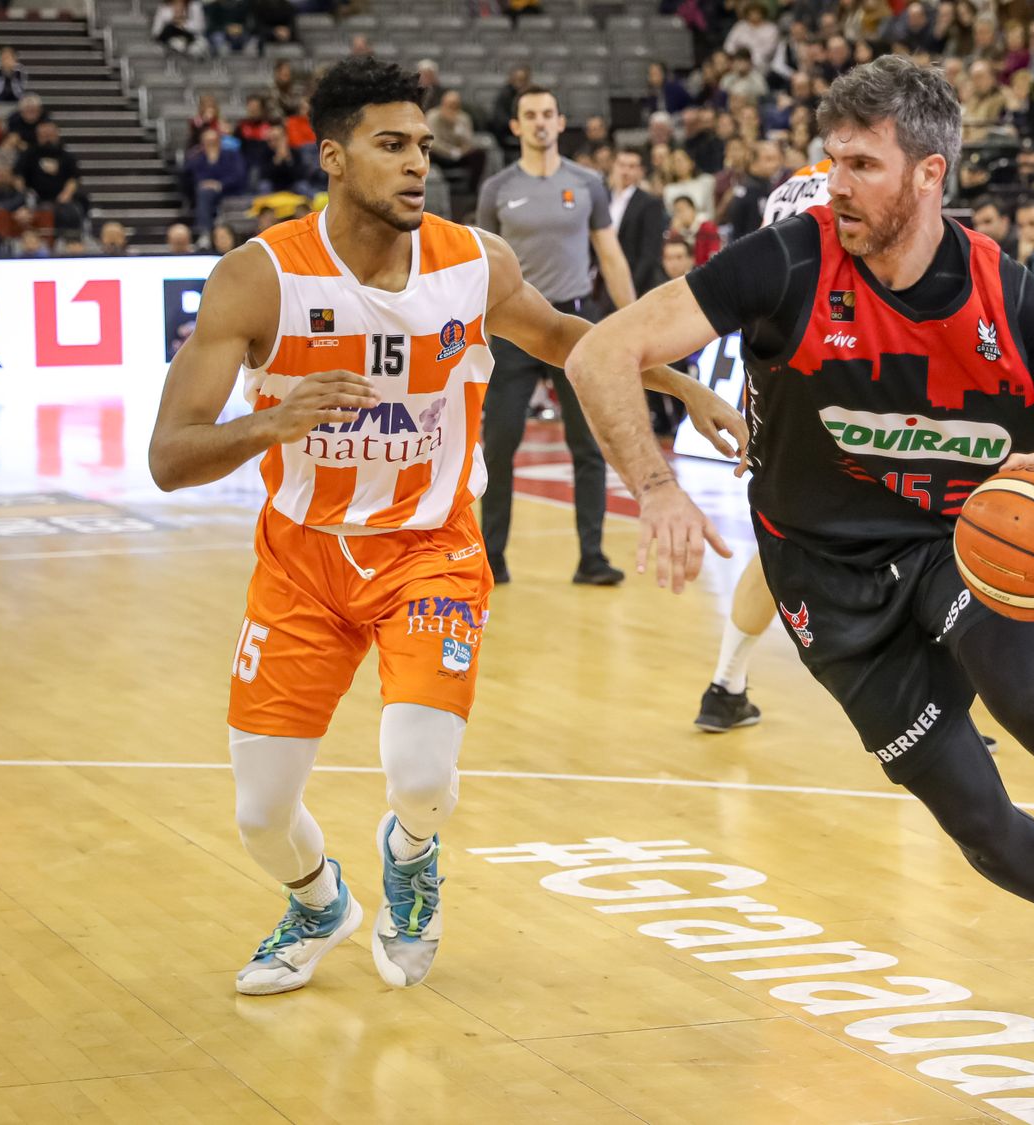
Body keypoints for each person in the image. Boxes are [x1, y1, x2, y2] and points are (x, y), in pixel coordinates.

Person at [566, 56, 1034, 1054]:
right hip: (820, 574)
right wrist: (655, 491)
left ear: (928, 175)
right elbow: (597, 350)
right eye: (831, 161)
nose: (836, 184)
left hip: (960, 546)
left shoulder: (1010, 298)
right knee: (971, 813)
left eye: (862, 164)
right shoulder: (785, 263)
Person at [147, 57, 742, 999]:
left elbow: (566, 340)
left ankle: (412, 856)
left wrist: (683, 384)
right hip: (301, 565)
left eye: (423, 144)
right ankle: (317, 901)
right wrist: (273, 420)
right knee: (261, 814)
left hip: (431, 549)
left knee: (419, 774)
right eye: (391, 146)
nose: (417, 163)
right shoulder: (258, 280)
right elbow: (169, 457)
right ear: (334, 158)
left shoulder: (474, 261)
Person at [475, 86, 641, 586]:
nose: (541, 122)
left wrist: (633, 325)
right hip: (511, 328)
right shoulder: (497, 188)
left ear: (560, 121)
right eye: (530, 115)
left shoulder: (588, 183)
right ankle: (490, 559)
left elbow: (609, 255)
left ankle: (592, 557)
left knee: (587, 445)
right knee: (499, 444)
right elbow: (482, 263)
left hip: (573, 327)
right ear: (516, 126)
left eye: (548, 113)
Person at [609, 149, 670, 302]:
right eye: (622, 165)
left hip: (635, 282)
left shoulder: (650, 203)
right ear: (614, 167)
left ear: (640, 171)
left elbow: (650, 253)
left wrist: (630, 287)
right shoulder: (603, 198)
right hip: (603, 281)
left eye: (631, 166)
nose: (625, 171)